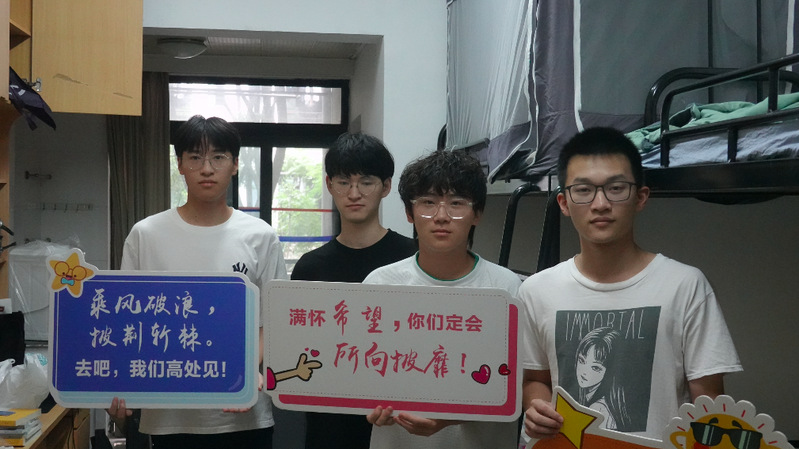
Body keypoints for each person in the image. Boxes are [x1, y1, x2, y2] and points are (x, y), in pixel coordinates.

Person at [519, 127, 742, 439]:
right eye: (583, 190)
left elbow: (709, 403)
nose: (600, 203)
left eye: (616, 188)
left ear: (640, 197)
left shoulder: (685, 286)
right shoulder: (536, 291)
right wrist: (536, 407)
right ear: (564, 203)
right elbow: (535, 379)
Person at [107, 115, 288, 449]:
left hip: (243, 415)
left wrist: (244, 370)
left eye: (218, 157)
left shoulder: (260, 236)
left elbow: (273, 320)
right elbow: (126, 322)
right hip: (170, 416)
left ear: (235, 164)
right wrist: (115, 386)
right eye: (195, 157)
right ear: (179, 164)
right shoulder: (146, 235)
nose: (207, 169)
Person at [363, 149, 522, 449]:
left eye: (457, 203)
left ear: (477, 214)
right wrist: (367, 405)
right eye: (427, 203)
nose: (441, 216)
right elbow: (362, 373)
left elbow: (514, 385)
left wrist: (447, 419)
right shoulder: (380, 284)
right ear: (409, 213)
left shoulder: (505, 288)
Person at [291, 131, 417, 449]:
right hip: (328, 423)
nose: (354, 193)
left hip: (398, 421)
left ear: (386, 186)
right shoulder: (309, 267)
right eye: (344, 182)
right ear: (329, 184)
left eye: (366, 182)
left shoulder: (415, 258)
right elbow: (296, 350)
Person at [573, 327, 631, 430]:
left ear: (610, 371)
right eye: (581, 360)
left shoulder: (598, 409)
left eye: (595, 367)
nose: (584, 371)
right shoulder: (591, 399)